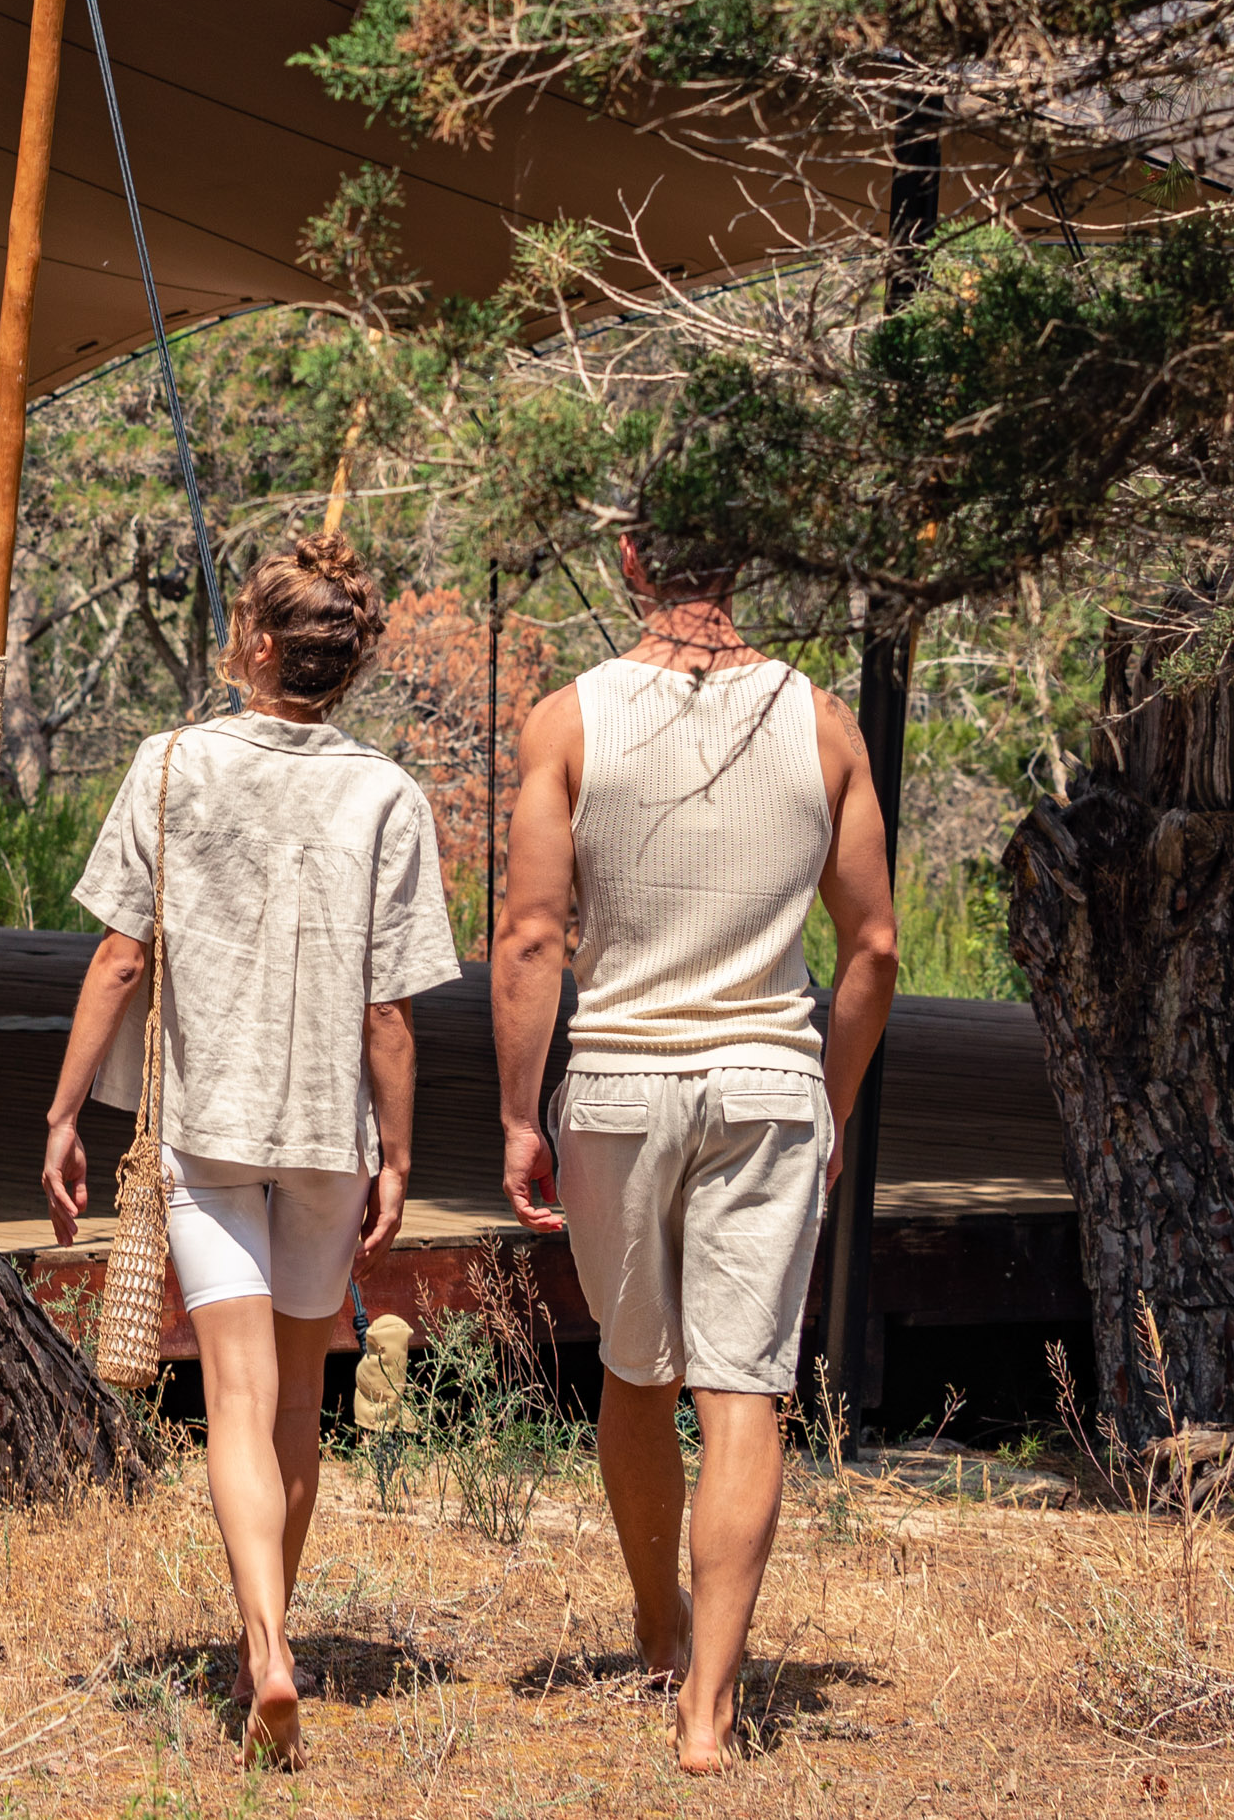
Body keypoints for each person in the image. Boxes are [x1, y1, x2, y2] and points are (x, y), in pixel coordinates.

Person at [41, 537, 456, 1770]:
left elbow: (119, 958)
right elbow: (390, 1010)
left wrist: (66, 1111)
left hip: (206, 1126)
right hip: (329, 1133)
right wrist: (397, 1153)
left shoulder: (168, 767)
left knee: (230, 1397)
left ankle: (263, 1645)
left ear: (261, 646)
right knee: (295, 1402)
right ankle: (269, 1646)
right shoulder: (387, 793)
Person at [498, 513, 900, 1776]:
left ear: (627, 558)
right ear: (750, 561)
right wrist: (828, 1096)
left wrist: (519, 1110)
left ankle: (655, 1624)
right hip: (769, 1082)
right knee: (745, 1389)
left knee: (636, 1368)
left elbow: (528, 937)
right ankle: (710, 1711)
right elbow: (873, 946)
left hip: (618, 1078)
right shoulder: (823, 722)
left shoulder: (569, 718)